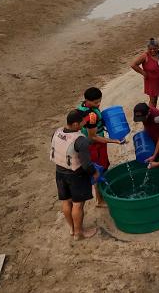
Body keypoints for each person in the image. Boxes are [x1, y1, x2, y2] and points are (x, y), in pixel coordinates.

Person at [51, 110, 99, 240]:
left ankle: (72, 229)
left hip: (60, 172)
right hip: (75, 175)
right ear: (76, 124)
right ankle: (79, 233)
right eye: (83, 122)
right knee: (78, 204)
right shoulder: (80, 140)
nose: (84, 124)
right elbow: (86, 164)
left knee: (66, 201)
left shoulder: (57, 132)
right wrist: (94, 172)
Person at [77, 87, 125, 207]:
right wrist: (114, 141)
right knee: (98, 170)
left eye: (99, 101)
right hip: (93, 146)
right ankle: (100, 200)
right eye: (95, 102)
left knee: (103, 167)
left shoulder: (83, 106)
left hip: (96, 144)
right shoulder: (91, 115)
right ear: (87, 100)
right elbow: (93, 137)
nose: (98, 104)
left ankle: (103, 193)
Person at [130, 38, 159, 111]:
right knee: (153, 100)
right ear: (148, 49)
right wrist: (143, 73)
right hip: (151, 82)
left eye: (154, 49)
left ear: (158, 47)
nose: (152, 51)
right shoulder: (145, 56)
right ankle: (152, 114)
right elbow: (133, 65)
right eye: (150, 49)